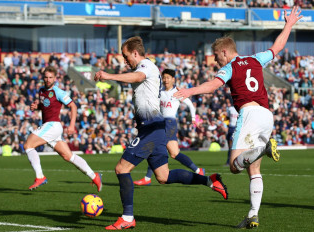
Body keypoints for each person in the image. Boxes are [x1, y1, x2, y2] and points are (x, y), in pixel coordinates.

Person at [174, 6, 302, 229]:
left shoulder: (231, 66)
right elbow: (277, 47)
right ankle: (253, 214)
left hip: (250, 113)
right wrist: (289, 24)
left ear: (224, 52)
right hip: (266, 115)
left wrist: (189, 91)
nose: (215, 61)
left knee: (234, 166)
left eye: (216, 57)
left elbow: (213, 86)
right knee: (254, 169)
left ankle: (263, 150)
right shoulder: (255, 59)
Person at [94, 36, 228, 230]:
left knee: (121, 169)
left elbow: (138, 77)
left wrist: (109, 76)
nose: (125, 60)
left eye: (125, 56)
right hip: (153, 129)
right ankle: (210, 180)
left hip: (151, 130)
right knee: (163, 176)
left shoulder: (146, 66)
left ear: (135, 53)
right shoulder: (141, 68)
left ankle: (127, 217)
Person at [24, 66, 102, 191]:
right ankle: (94, 176)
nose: (48, 79)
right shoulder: (41, 91)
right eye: (46, 77)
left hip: (52, 125)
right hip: (50, 127)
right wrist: (36, 106)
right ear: (43, 78)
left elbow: (73, 107)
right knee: (68, 156)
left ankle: (40, 177)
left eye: (51, 77)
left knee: (28, 145)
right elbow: (46, 105)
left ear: (55, 78)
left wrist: (71, 125)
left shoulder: (58, 92)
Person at [133, 69, 205, 186]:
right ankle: (198, 171)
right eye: (164, 77)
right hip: (160, 122)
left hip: (169, 123)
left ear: (173, 79)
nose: (166, 80)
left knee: (155, 146)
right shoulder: (159, 92)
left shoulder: (176, 92)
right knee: (174, 153)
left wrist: (193, 118)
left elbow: (190, 104)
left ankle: (147, 178)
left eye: (168, 77)